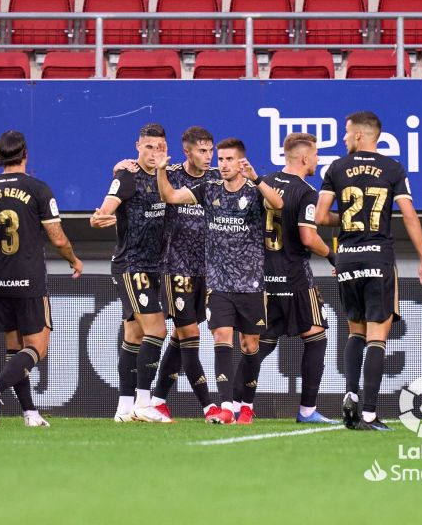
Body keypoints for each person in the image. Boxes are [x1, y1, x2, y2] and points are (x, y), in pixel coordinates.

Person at [315, 111, 422, 432]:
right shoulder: (393, 169)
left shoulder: (336, 168)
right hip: (378, 258)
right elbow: (408, 214)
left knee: (355, 331)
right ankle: (368, 413)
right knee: (377, 336)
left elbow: (321, 217)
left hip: (347, 258)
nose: (343, 138)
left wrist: (353, 218)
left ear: (360, 136)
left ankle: (349, 394)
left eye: (346, 132)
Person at [156, 138, 283, 425]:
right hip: (218, 284)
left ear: (241, 162)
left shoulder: (254, 191)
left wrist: (257, 179)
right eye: (220, 159)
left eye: (228, 159)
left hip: (250, 284)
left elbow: (279, 205)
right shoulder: (209, 187)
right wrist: (161, 171)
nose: (222, 164)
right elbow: (171, 197)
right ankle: (226, 406)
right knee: (220, 337)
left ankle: (246, 406)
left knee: (250, 346)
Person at [0, 131, 83, 427]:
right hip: (29, 279)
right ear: (25, 155)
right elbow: (57, 238)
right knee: (37, 349)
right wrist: (73, 259)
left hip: (0, 281)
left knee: (14, 350)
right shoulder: (38, 189)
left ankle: (30, 413)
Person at [231, 133, 337, 424]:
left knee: (260, 344)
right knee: (316, 338)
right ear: (304, 158)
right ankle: (306, 411)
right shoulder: (305, 191)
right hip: (294, 278)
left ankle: (238, 407)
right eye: (315, 155)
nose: (317, 160)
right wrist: (331, 254)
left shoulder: (263, 182)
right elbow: (308, 236)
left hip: (263, 279)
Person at [121, 127, 225, 424]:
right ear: (187, 151)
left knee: (182, 338)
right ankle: (209, 407)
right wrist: (122, 166)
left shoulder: (218, 177)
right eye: (202, 151)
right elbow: (139, 173)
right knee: (189, 334)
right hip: (174, 268)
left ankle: (157, 400)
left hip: (206, 269)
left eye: (210, 150)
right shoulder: (171, 173)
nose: (208, 157)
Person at [90, 124, 170, 423]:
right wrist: (102, 215)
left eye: (159, 147)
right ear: (138, 146)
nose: (154, 153)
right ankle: (144, 402)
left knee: (134, 334)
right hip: (131, 266)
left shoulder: (168, 176)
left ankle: (124, 407)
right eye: (149, 147)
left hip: (155, 267)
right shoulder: (127, 175)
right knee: (158, 329)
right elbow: (109, 204)